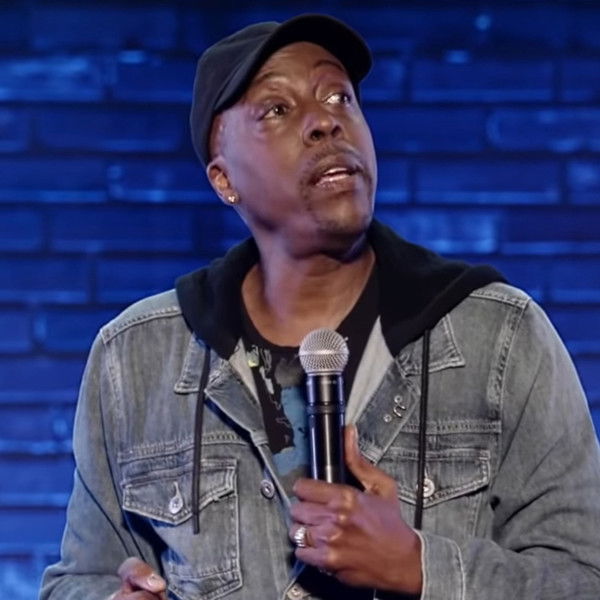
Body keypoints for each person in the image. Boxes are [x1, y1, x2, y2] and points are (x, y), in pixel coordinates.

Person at [40, 13, 600, 600]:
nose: (325, 122)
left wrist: (420, 567)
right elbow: (78, 578)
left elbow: (585, 578)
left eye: (339, 97)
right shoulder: (134, 357)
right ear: (223, 179)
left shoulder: (499, 336)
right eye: (277, 109)